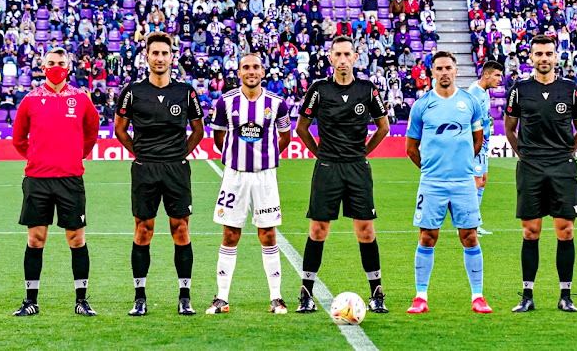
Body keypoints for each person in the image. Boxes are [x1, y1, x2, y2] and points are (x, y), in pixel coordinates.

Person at [295, 35, 390, 314]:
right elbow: (302, 127)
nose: (343, 60)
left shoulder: (367, 90)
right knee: (318, 230)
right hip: (327, 168)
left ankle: (377, 293)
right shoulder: (319, 90)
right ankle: (306, 294)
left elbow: (382, 127)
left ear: (356, 57)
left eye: (348, 54)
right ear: (330, 58)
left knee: (366, 231)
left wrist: (363, 153)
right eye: (337, 55)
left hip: (356, 168)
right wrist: (319, 153)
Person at [115, 32, 205, 317]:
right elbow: (120, 129)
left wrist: (178, 155)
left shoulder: (186, 91)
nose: (160, 58)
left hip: (176, 169)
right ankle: (139, 296)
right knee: (144, 230)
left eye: (164, 53)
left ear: (171, 57)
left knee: (180, 228)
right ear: (147, 56)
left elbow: (198, 130)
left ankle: (185, 295)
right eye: (155, 53)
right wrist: (141, 153)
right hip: (145, 169)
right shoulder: (133, 91)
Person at [11, 47, 99, 317]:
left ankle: (81, 300)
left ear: (69, 67)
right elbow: (18, 139)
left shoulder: (81, 99)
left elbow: (91, 132)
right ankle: (30, 301)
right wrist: (38, 158)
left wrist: (74, 156)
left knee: (76, 239)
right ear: (43, 66)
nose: (55, 67)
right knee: (36, 240)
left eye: (60, 63)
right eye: (50, 63)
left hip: (70, 180)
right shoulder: (30, 100)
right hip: (37, 180)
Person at [505, 35, 577, 313]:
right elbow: (509, 128)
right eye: (538, 53)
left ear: (556, 57)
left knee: (565, 231)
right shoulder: (519, 89)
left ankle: (565, 296)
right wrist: (525, 155)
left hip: (562, 168)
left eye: (548, 53)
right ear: (531, 57)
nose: (544, 58)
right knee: (531, 232)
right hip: (530, 168)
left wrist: (564, 153)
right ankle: (527, 295)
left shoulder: (571, 90)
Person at [405, 51, 492, 314]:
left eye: (449, 68)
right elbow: (411, 147)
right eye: (439, 68)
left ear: (456, 71)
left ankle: (478, 296)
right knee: (427, 237)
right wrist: (431, 168)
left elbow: (478, 139)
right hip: (432, 183)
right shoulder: (421, 105)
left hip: (464, 181)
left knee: (470, 236)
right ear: (432, 72)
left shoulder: (469, 102)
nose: (444, 72)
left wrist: (465, 164)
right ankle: (421, 296)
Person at [205, 53, 291, 315]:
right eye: (246, 68)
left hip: (265, 177)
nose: (251, 71)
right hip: (235, 176)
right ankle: (221, 298)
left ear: (263, 72)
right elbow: (219, 137)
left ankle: (276, 297)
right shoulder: (225, 102)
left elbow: (284, 137)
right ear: (239, 72)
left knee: (268, 234)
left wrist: (266, 157)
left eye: (255, 67)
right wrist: (234, 157)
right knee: (230, 234)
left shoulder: (278, 104)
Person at [466, 61, 504, 236]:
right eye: (497, 75)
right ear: (486, 74)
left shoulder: (483, 92)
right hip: (476, 143)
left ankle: (475, 222)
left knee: (483, 181)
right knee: (475, 183)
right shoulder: (474, 93)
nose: (500, 79)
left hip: (484, 144)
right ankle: (469, 223)